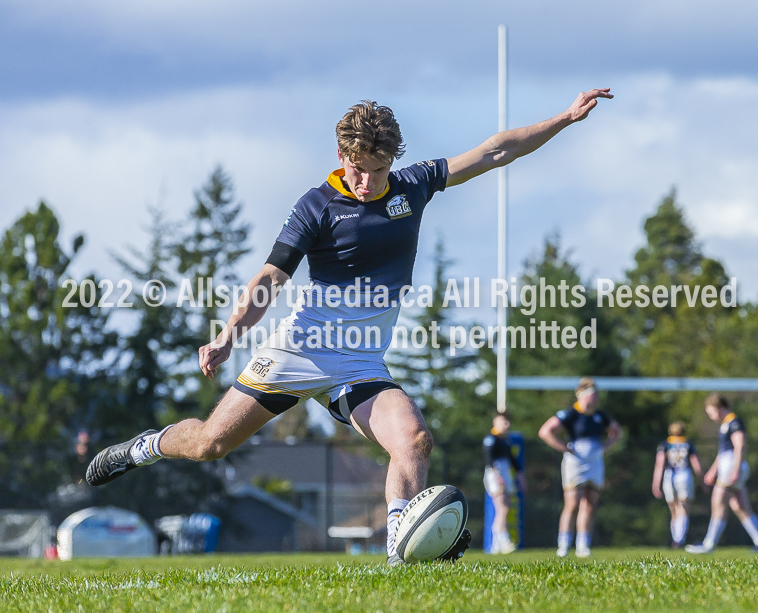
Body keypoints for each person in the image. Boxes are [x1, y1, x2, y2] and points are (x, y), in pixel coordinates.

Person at [86, 89, 613, 565]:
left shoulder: (415, 185)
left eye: (377, 172)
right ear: (342, 157)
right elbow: (270, 276)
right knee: (209, 444)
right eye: (357, 169)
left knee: (415, 439)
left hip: (359, 362)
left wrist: (564, 118)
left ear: (392, 162)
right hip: (299, 350)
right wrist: (229, 335)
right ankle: (144, 447)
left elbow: (496, 150)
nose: (365, 182)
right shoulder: (316, 206)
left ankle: (400, 551)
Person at [539, 377, 621, 558]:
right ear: (582, 397)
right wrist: (564, 448)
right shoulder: (570, 414)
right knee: (572, 503)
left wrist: (606, 447)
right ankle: (564, 544)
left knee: (590, 503)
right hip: (575, 462)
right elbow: (545, 431)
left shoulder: (601, 416)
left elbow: (617, 431)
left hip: (594, 462)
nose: (596, 399)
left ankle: (583, 545)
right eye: (593, 395)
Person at [686, 394, 758, 553]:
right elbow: (722, 452)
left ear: (719, 408)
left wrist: (736, 470)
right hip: (727, 468)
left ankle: (709, 544)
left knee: (718, 502)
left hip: (732, 468)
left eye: (711, 412)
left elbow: (740, 446)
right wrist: (712, 470)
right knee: (739, 506)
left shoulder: (734, 422)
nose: (710, 417)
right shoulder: (725, 424)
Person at [651, 421, 703, 548]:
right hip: (684, 475)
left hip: (669, 476)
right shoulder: (688, 444)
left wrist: (655, 483)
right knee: (684, 508)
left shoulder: (665, 444)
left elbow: (659, 464)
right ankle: (680, 539)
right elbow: (696, 463)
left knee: (673, 509)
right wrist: (702, 479)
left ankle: (676, 538)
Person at [483, 411, 526, 554]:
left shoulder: (506, 439)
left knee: (505, 507)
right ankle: (504, 540)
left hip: (505, 472)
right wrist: (497, 476)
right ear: (495, 422)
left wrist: (520, 475)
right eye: (503, 421)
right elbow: (489, 460)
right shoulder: (491, 439)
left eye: (507, 422)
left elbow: (513, 460)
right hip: (495, 473)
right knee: (502, 508)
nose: (506, 425)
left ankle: (497, 544)